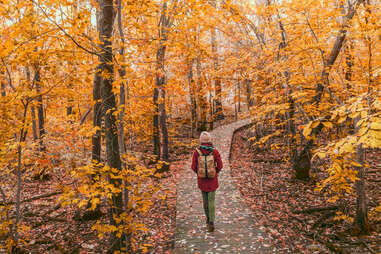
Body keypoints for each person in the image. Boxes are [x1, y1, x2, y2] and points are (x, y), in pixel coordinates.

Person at [191, 131, 223, 232]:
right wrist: (215, 172)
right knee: (211, 200)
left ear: (200, 140)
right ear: (210, 140)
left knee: (205, 201)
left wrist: (200, 173)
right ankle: (212, 221)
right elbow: (220, 165)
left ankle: (208, 219)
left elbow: (193, 167)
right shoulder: (215, 151)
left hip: (202, 181)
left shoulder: (196, 152)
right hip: (212, 180)